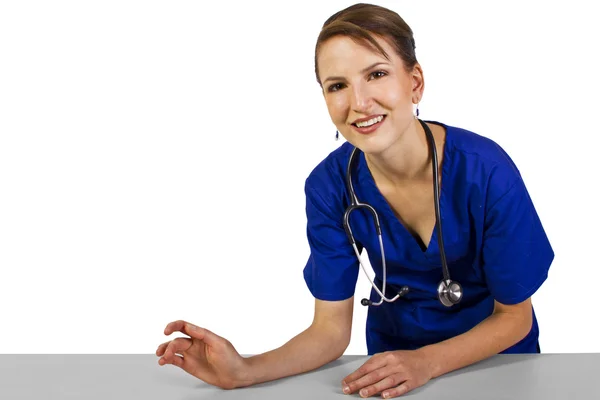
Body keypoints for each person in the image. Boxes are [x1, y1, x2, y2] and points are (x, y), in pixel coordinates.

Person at [155, 3, 554, 398]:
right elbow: (329, 330)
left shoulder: (485, 170)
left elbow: (514, 317)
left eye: (377, 75)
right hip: (394, 373)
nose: (358, 103)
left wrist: (426, 363)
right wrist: (243, 371)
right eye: (338, 85)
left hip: (500, 368)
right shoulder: (329, 187)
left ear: (414, 82)